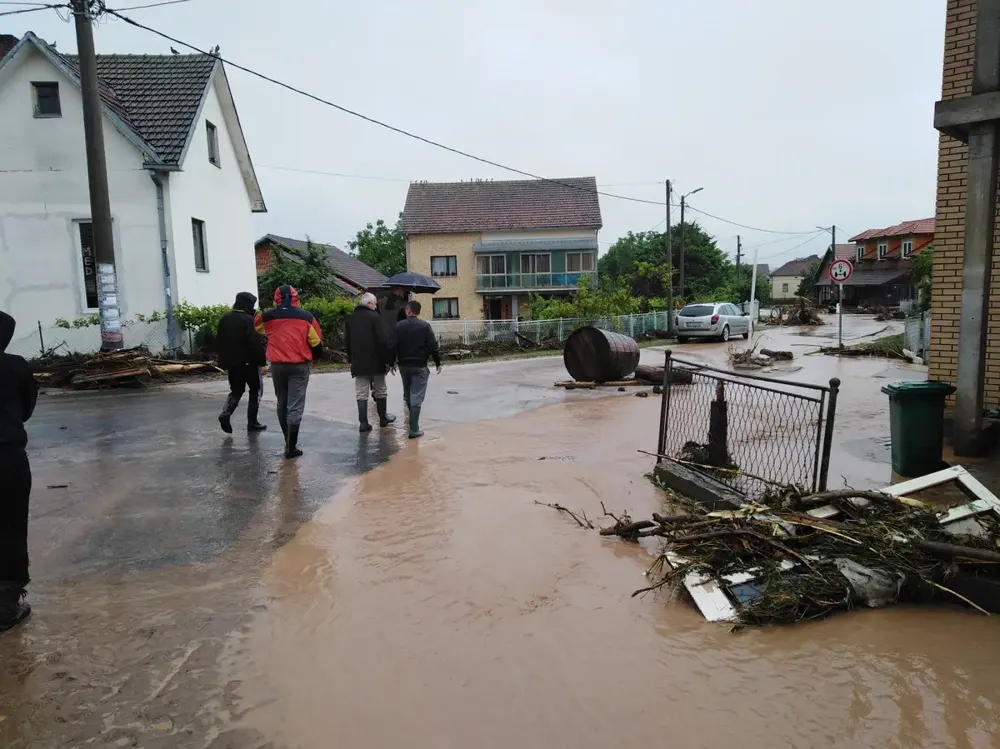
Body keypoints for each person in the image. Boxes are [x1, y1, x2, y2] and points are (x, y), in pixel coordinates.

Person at [0, 311, 38, 631]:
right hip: (8, 457)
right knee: (11, 526)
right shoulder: (15, 365)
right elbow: (26, 409)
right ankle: (6, 603)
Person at [254, 285, 323, 459]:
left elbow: (256, 326)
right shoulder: (306, 317)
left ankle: (287, 440)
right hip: (299, 366)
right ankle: (291, 447)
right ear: (295, 297)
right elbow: (316, 342)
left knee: (282, 402)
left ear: (276, 298)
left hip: (277, 365)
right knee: (295, 405)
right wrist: (313, 358)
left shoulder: (268, 317)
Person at [216, 291, 267, 434]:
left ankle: (225, 413)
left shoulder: (225, 318)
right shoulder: (249, 320)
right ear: (248, 305)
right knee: (255, 390)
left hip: (232, 363)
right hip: (249, 363)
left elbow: (219, 341)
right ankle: (252, 422)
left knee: (236, 390)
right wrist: (262, 362)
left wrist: (224, 361)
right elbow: (254, 343)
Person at [345, 292, 395, 433]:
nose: (376, 306)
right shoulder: (375, 317)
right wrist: (389, 361)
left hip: (359, 363)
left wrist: (351, 358)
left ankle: (363, 423)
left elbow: (347, 342)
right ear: (369, 304)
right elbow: (383, 341)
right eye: (374, 304)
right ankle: (383, 418)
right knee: (380, 390)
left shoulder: (350, 318)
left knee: (361, 393)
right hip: (376, 362)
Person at [392, 300, 441, 439]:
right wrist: (438, 362)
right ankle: (414, 428)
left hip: (404, 366)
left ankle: (412, 424)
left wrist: (391, 363)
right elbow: (433, 346)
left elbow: (392, 345)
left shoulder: (398, 326)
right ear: (418, 312)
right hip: (420, 366)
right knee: (417, 395)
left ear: (408, 311)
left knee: (408, 393)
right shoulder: (425, 326)